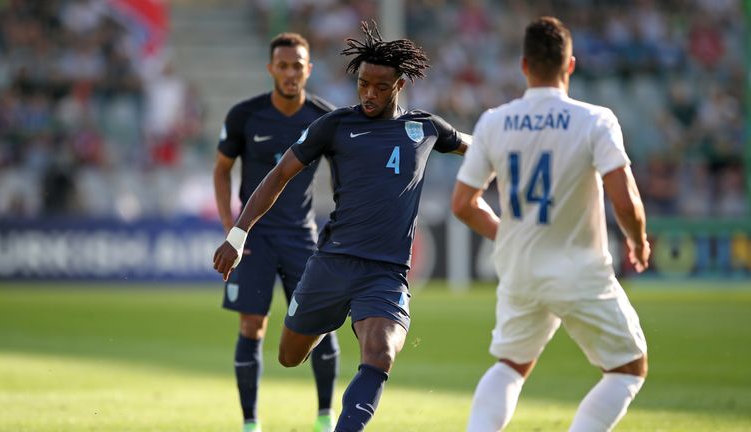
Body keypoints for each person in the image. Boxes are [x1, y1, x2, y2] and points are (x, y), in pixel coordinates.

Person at [214, 21, 470, 431]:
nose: (368, 94)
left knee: (380, 354)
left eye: (379, 87)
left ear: (399, 86)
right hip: (331, 264)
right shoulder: (335, 125)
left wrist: (508, 151)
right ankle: (322, 322)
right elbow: (279, 175)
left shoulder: (425, 128)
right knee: (288, 355)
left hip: (385, 273)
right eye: (363, 84)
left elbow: (475, 147)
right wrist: (238, 232)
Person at [451, 16, 649, 432]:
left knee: (510, 366)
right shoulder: (595, 119)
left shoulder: (493, 121)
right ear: (571, 64)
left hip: (521, 268)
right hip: (579, 269)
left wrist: (507, 236)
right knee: (628, 369)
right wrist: (637, 240)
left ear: (524, 66)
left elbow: (463, 204)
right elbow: (625, 200)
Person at [213, 32, 339, 432]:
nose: (289, 73)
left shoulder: (325, 118)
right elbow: (221, 170)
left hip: (301, 238)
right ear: (270, 68)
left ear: (308, 69)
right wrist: (232, 230)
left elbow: (347, 176)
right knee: (252, 324)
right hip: (254, 239)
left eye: (296, 66)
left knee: (317, 324)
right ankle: (250, 423)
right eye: (282, 66)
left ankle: (324, 418)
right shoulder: (244, 115)